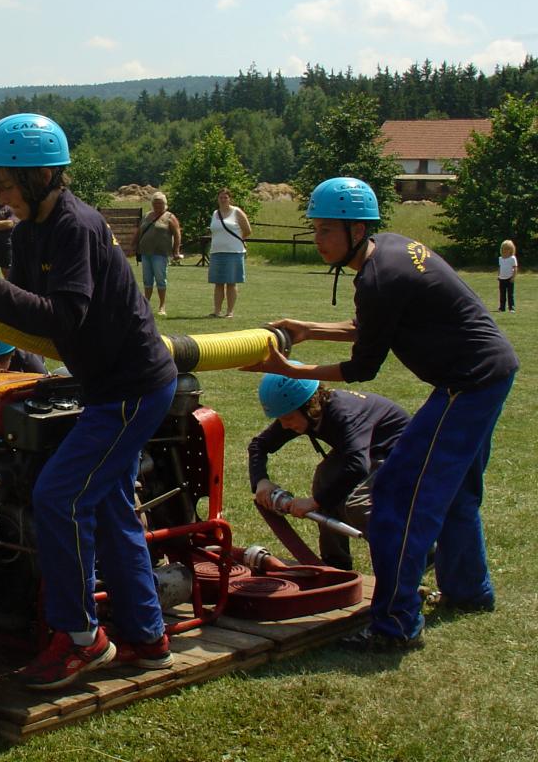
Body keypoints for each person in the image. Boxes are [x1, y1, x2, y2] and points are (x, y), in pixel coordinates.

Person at [0, 113, 179, 690]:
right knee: (112, 506)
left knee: (59, 495)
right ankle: (147, 637)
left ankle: (79, 638)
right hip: (108, 387)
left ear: (43, 175)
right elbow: (23, 306)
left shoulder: (76, 225)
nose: (0, 195)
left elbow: (63, 318)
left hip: (132, 388)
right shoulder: (28, 229)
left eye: (7, 184)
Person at [246, 176, 518, 652]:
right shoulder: (390, 250)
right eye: (314, 228)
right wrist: (307, 329)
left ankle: (395, 623)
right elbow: (372, 324)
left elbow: (362, 368)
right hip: (488, 372)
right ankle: (469, 591)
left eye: (326, 230)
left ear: (356, 230)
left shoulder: (378, 278)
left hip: (467, 384)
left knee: (394, 495)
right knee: (457, 493)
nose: (318, 239)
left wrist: (291, 369)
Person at [249, 370, 410, 570]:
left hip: (399, 452)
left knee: (356, 505)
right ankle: (336, 564)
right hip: (366, 450)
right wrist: (261, 481)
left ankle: (410, 553)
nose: (284, 426)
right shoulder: (307, 412)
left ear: (308, 406)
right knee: (324, 480)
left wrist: (314, 502)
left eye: (288, 418)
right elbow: (259, 445)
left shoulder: (343, 414)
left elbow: (357, 466)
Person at [132, 191, 183, 317]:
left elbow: (177, 234)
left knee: (160, 279)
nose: (157, 205)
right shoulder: (146, 216)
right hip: (145, 252)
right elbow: (139, 231)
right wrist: (134, 244)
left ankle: (162, 306)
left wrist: (176, 251)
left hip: (160, 253)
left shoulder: (169, 217)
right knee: (147, 279)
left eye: (160, 203)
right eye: (155, 203)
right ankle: (146, 304)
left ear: (164, 204)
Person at [207, 188, 251, 318]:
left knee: (231, 282)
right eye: (221, 197)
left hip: (233, 252)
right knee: (218, 283)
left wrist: (238, 240)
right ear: (217, 199)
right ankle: (217, 311)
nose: (223, 200)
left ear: (230, 199)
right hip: (217, 252)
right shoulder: (215, 213)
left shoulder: (237, 212)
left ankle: (229, 311)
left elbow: (247, 230)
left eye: (225, 197)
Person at [498, 239, 518, 312]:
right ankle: (502, 308)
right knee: (502, 294)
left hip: (509, 278)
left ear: (511, 249)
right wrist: (498, 275)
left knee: (510, 294)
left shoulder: (512, 258)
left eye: (507, 249)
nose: (505, 250)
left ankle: (511, 308)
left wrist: (513, 277)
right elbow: (500, 267)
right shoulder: (500, 258)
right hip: (502, 279)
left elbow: (515, 268)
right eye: (504, 249)